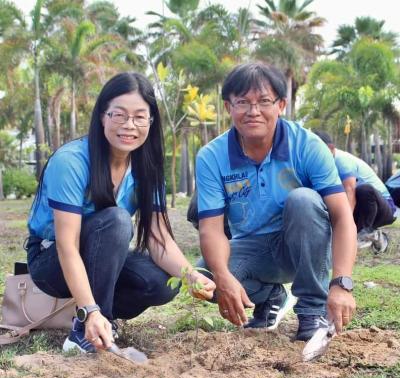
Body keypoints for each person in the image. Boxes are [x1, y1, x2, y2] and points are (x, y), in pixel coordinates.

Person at [26, 72, 215, 353]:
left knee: (162, 282)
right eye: (119, 115)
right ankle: (85, 327)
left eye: (140, 117)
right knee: (116, 220)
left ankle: (101, 321)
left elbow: (158, 238)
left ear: (151, 121)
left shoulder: (147, 168)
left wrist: (190, 276)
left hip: (102, 259)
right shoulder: (71, 162)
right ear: (103, 116)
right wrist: (90, 311)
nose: (129, 125)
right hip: (50, 259)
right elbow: (67, 246)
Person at [195, 62, 357, 341]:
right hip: (254, 248)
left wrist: (342, 283)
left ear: (281, 105)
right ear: (228, 107)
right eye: (242, 102)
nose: (253, 111)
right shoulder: (211, 156)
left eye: (264, 101)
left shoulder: (307, 145)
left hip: (306, 247)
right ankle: (270, 296)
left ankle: (312, 310)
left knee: (303, 199)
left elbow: (343, 217)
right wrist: (222, 276)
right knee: (204, 277)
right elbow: (211, 229)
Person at [314, 131, 396, 253]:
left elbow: (350, 191)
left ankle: (365, 231)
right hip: (361, 208)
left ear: (330, 148)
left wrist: (345, 224)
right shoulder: (321, 166)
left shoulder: (342, 160)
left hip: (384, 207)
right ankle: (374, 236)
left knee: (364, 190)